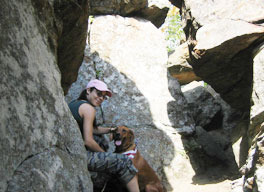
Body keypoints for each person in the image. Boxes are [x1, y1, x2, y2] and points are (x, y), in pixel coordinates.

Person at [68, 79, 139, 192]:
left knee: (101, 140)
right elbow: (88, 141)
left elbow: (92, 130)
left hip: (69, 151)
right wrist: (106, 156)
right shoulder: (89, 109)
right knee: (124, 161)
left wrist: (110, 130)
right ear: (88, 90)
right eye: (98, 94)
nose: (101, 98)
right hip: (80, 156)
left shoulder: (75, 103)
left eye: (104, 97)